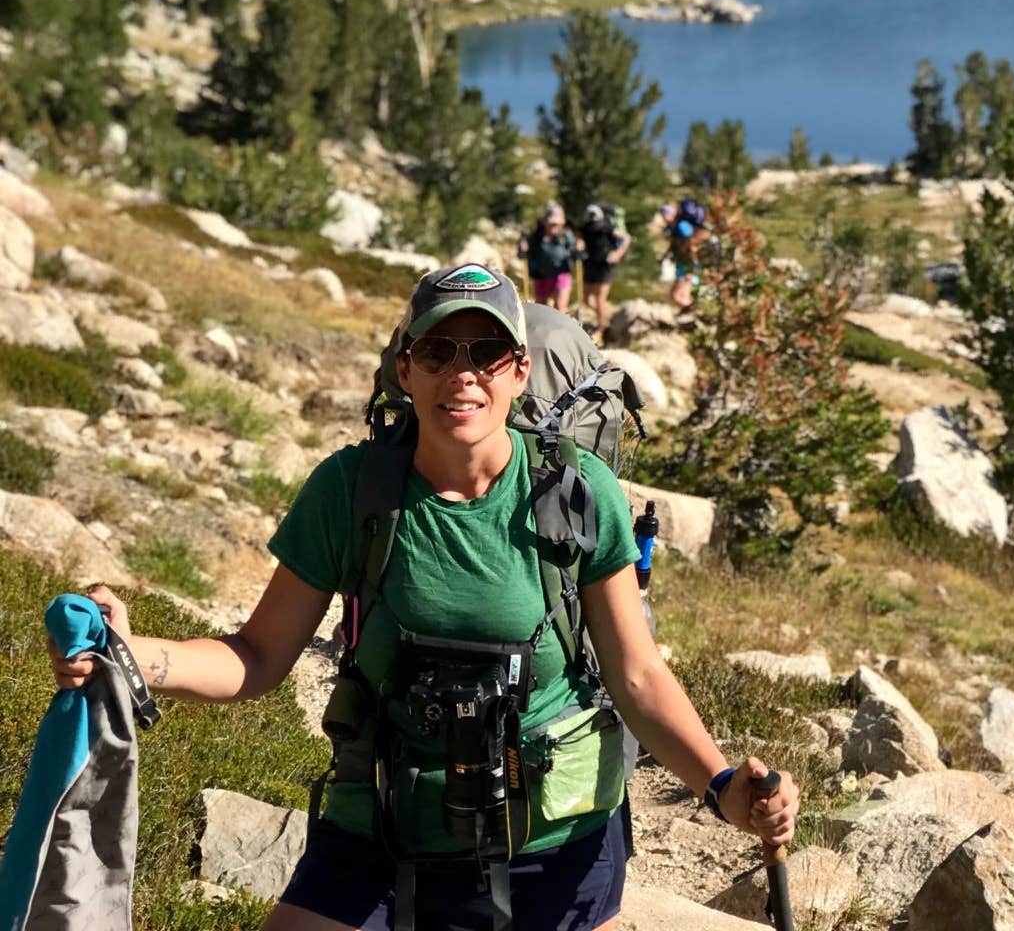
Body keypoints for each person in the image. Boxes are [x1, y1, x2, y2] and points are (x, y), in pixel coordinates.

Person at [46, 264, 797, 931]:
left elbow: (637, 676)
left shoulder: (576, 492)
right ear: (405, 370)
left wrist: (723, 786)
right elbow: (258, 656)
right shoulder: (351, 491)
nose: (461, 374)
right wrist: (135, 654)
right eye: (437, 352)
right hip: (380, 823)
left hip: (551, 844)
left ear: (519, 371)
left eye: (486, 354)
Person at [576, 203, 631, 333]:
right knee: (586, 299)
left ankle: (602, 328)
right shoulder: (585, 228)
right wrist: (579, 244)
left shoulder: (608, 228)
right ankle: (606, 318)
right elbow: (579, 238)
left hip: (604, 266)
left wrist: (617, 254)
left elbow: (626, 238)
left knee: (600, 299)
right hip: (589, 264)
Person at [518, 203, 577, 313]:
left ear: (562, 223)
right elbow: (523, 256)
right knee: (541, 308)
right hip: (541, 276)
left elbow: (575, 254)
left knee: (560, 307)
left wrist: (579, 250)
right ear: (545, 221)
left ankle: (560, 328)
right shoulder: (536, 237)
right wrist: (523, 250)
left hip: (561, 274)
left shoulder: (566, 236)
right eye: (552, 224)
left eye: (557, 224)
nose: (554, 227)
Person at [655, 199, 708, 311]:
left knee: (678, 296)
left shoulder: (681, 226)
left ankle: (696, 313)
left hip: (688, 268)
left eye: (664, 214)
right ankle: (692, 314)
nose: (663, 217)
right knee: (674, 296)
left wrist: (693, 266)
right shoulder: (675, 227)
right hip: (683, 266)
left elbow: (692, 243)